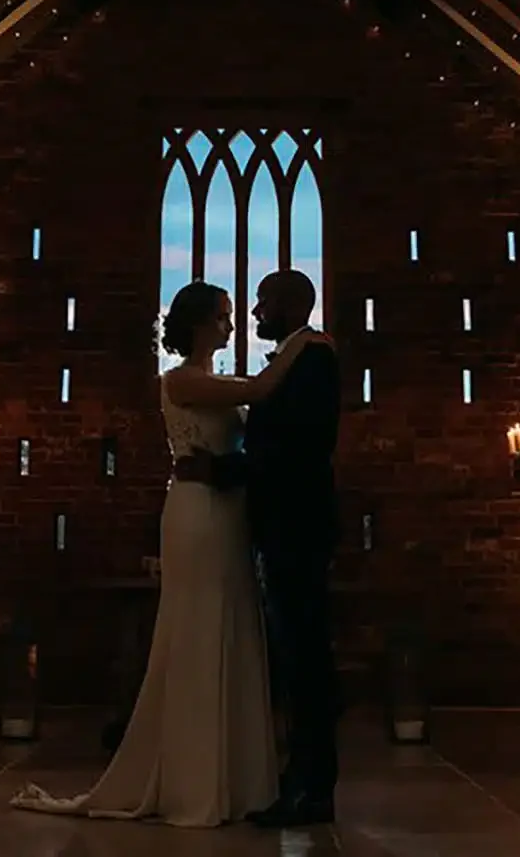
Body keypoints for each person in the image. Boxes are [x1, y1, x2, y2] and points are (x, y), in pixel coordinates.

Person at [9, 280, 332, 827]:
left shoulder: (212, 380)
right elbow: (259, 392)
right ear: (203, 323)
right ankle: (193, 777)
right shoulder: (180, 379)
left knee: (231, 627)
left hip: (227, 514)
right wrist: (303, 345)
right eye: (226, 315)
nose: (235, 323)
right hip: (199, 513)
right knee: (197, 628)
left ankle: (231, 775)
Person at [181, 268, 342, 828]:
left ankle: (312, 788)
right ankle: (301, 781)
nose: (254, 314)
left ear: (294, 303)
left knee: (305, 658)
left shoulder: (313, 358)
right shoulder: (292, 358)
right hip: (282, 525)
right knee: (295, 656)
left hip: (296, 526)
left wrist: (222, 469)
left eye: (263, 302)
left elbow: (298, 448)